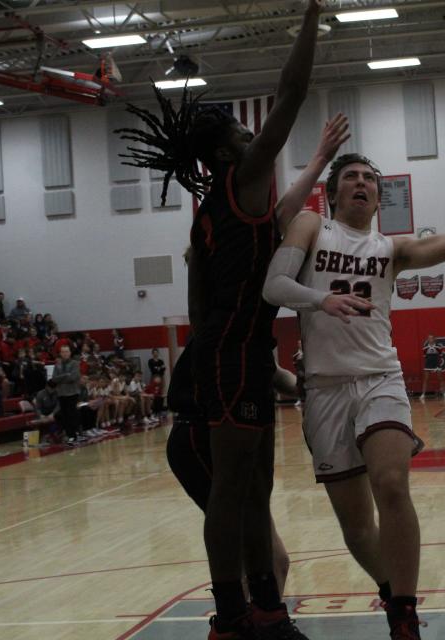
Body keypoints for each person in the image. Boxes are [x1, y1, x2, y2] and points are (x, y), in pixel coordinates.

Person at [262, 150, 445, 638]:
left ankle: (404, 615)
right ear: (333, 192)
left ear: (379, 195)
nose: (361, 184)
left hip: (381, 377)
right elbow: (274, 286)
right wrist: (323, 298)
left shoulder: (391, 249)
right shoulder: (313, 227)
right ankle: (390, 590)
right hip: (325, 391)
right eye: (351, 178)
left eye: (369, 179)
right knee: (356, 527)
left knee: (392, 484)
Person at [117, 3, 339, 636]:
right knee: (234, 491)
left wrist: (320, 159)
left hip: (233, 352)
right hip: (233, 355)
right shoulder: (239, 179)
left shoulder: (217, 214)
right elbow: (291, 95)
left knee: (256, 491)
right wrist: (310, 20)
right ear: (224, 154)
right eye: (243, 139)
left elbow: (198, 304)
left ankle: (265, 609)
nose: (254, 140)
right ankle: (233, 617)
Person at [166, 343, 296, 596]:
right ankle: (242, 621)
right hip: (199, 438)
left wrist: (313, 383)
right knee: (259, 556)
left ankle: (258, 622)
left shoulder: (251, 333)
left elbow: (276, 374)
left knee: (276, 561)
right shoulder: (223, 328)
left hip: (226, 439)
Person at [52, 345, 82, 445]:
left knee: (72, 414)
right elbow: (54, 379)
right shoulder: (57, 365)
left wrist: (61, 379)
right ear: (60, 353)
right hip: (61, 393)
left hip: (72, 392)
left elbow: (73, 377)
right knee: (64, 415)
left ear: (70, 353)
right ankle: (70, 435)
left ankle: (75, 434)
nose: (65, 353)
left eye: (66, 351)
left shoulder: (75, 363)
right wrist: (65, 376)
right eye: (63, 352)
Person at [419, 335, 445, 399]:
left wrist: (436, 362)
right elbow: (425, 356)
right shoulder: (425, 347)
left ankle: (444, 393)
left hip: (436, 364)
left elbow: (440, 355)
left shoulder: (438, 346)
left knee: (440, 378)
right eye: (429, 338)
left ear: (434, 339)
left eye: (431, 338)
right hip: (428, 364)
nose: (430, 339)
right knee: (426, 379)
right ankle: (423, 394)